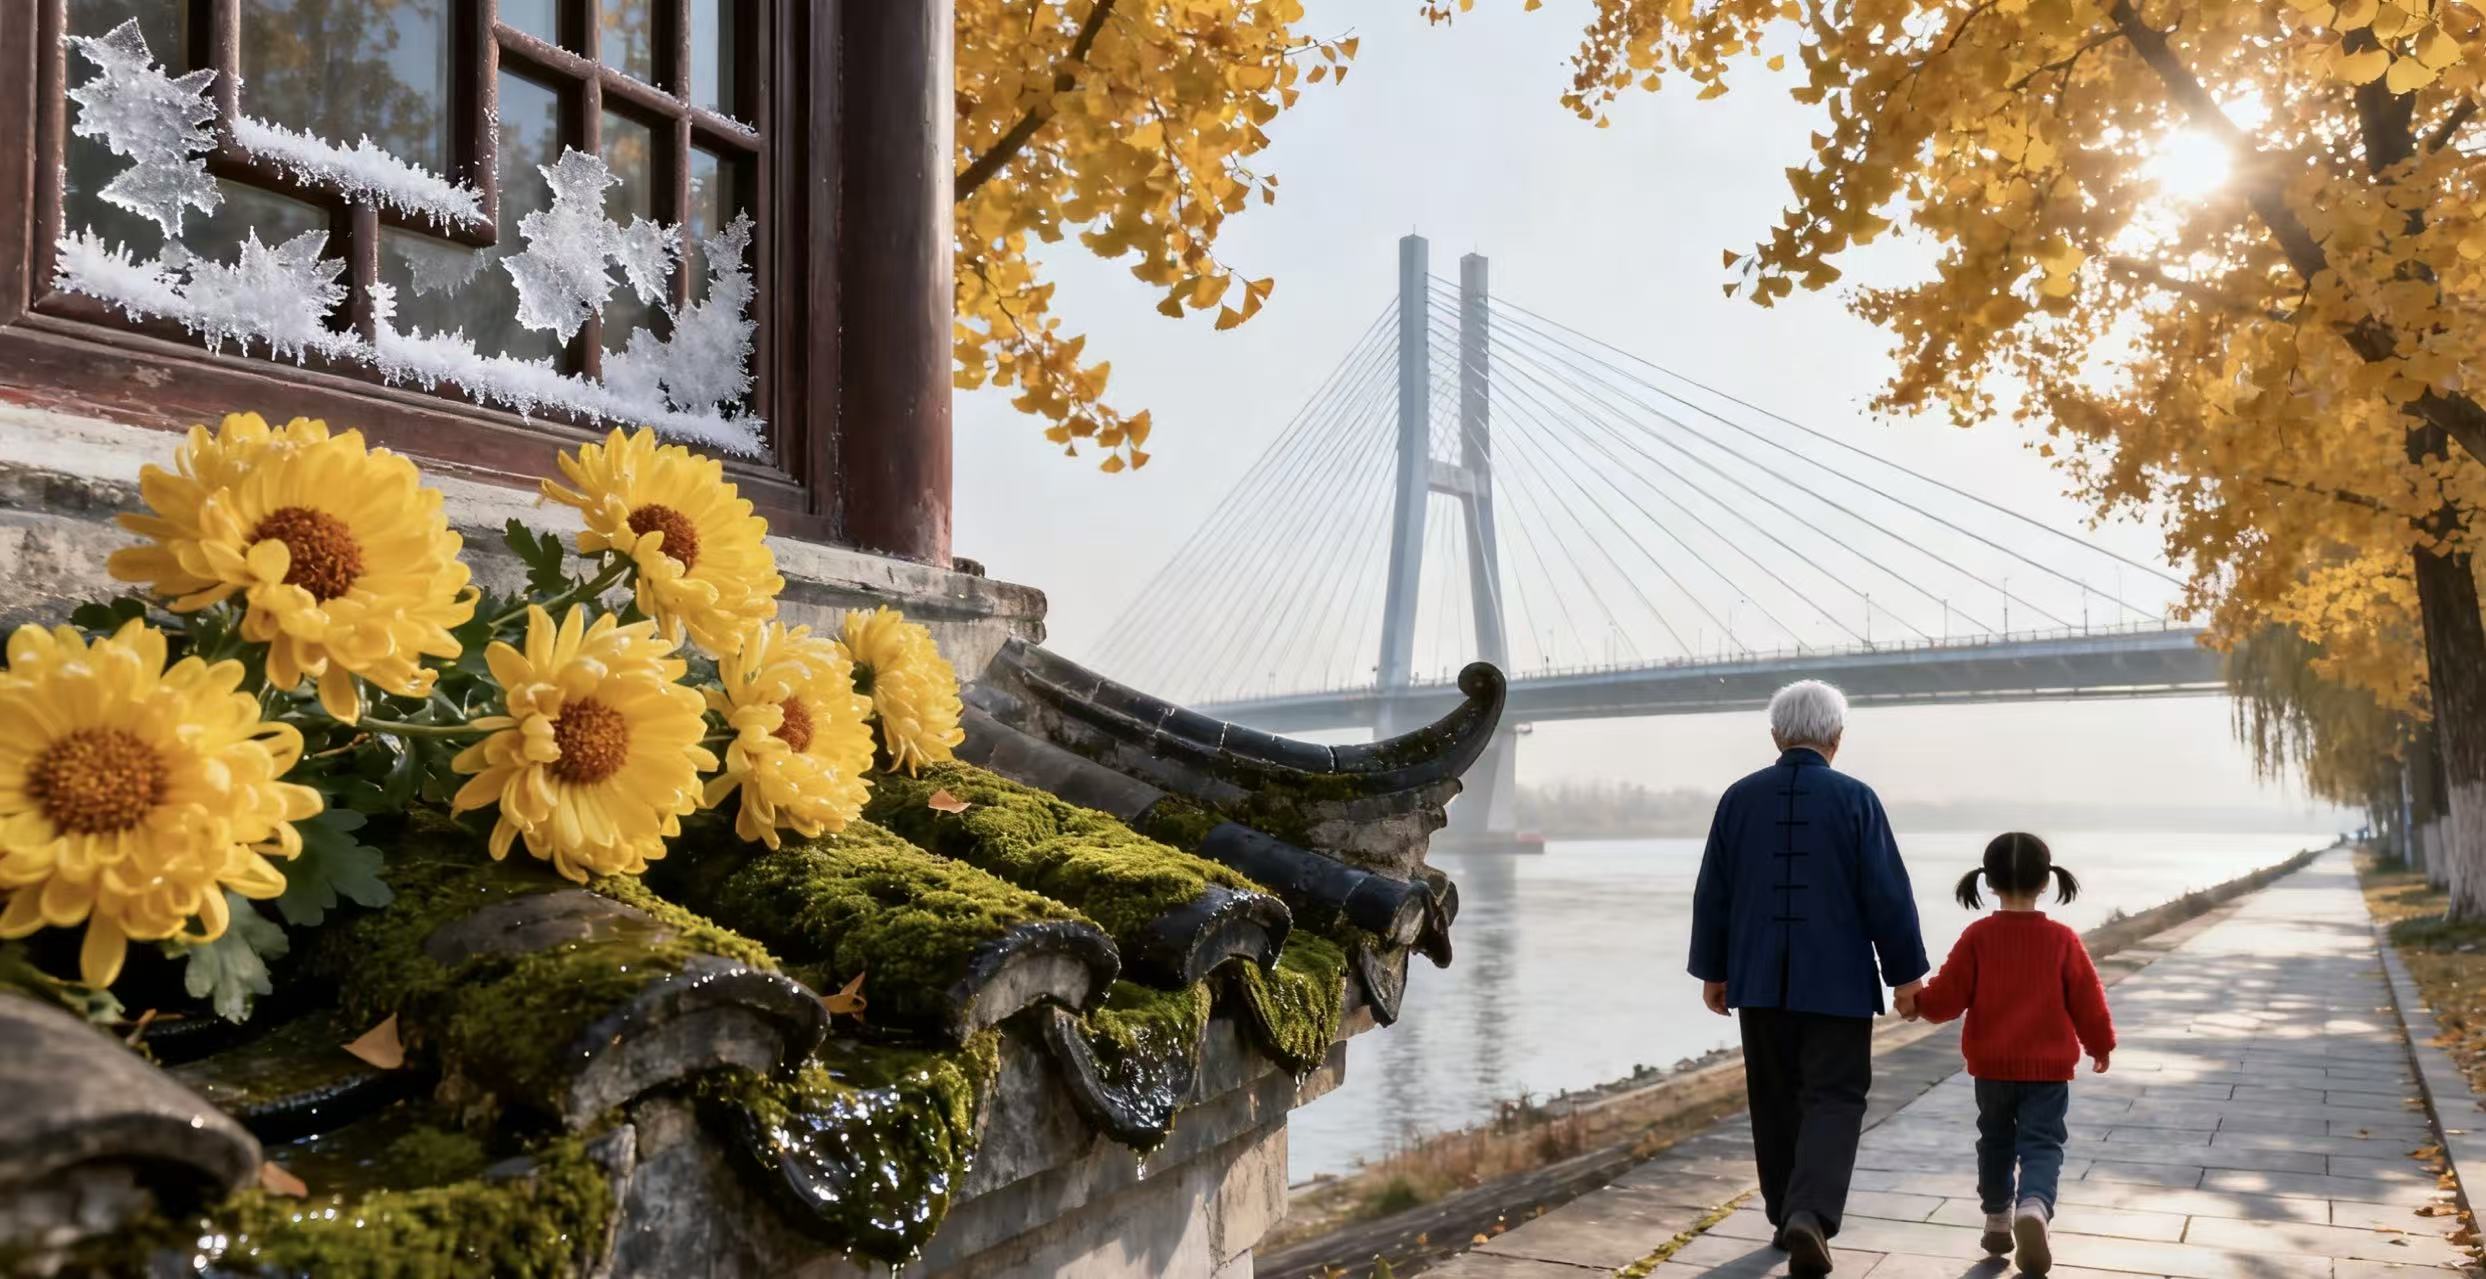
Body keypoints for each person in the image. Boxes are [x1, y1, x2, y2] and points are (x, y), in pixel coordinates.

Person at [1689, 680, 1929, 1277]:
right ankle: (1811, 1214)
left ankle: (1783, 1215)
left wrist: (1714, 971)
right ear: (1837, 738)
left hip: (1758, 983)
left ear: (1775, 736)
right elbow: (1887, 895)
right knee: (1836, 1098)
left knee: (1772, 1099)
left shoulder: (1737, 800)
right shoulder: (1857, 799)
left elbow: (1713, 893)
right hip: (1839, 985)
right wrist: (1905, 977)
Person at [1909, 832, 2115, 1278]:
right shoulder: (2062, 939)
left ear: (1988, 883)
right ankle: (2035, 1208)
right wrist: (2099, 1045)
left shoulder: (1978, 936)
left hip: (1993, 1069)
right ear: (2046, 882)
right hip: (2048, 1071)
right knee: (2042, 1144)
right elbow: (2088, 1000)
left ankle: (1998, 1219)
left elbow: (1947, 996)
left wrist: (1917, 1003)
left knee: (1995, 1141)